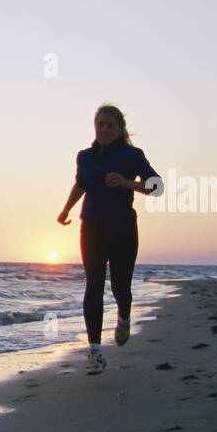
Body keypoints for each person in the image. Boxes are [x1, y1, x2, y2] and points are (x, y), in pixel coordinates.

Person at [57, 104, 160, 374]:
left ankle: (124, 317)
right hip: (91, 227)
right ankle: (94, 353)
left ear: (119, 128)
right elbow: (81, 184)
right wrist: (66, 209)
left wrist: (128, 184)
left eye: (109, 125)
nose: (104, 129)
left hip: (123, 227)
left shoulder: (131, 155)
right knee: (93, 284)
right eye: (100, 124)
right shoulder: (85, 156)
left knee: (120, 286)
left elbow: (157, 186)